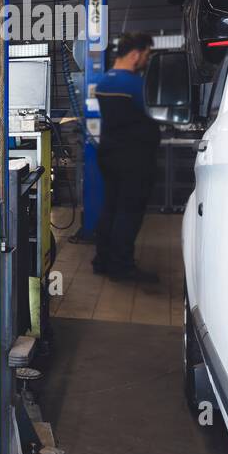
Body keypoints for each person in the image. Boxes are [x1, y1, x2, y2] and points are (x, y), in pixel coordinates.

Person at [92, 32, 161, 282]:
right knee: (128, 212)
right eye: (146, 55)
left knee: (110, 207)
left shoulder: (103, 83)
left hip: (109, 153)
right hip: (135, 157)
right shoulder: (136, 85)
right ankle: (121, 266)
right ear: (135, 54)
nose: (146, 59)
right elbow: (154, 112)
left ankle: (102, 260)